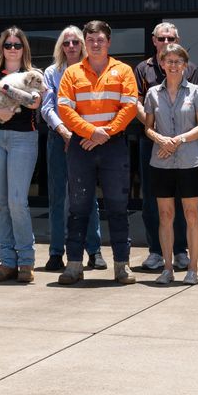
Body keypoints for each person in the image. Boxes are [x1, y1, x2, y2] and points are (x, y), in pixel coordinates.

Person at [55, 20, 141, 284]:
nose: (95, 44)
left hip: (114, 146)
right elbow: (64, 109)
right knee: (78, 207)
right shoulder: (72, 73)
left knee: (117, 206)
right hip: (82, 146)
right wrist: (91, 133)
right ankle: (73, 266)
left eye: (100, 40)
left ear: (108, 42)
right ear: (85, 43)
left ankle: (121, 266)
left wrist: (106, 133)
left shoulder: (123, 70)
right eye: (90, 40)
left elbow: (130, 106)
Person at [139, 42, 198, 285]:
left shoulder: (197, 92)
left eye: (178, 61)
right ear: (162, 64)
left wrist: (177, 140)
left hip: (190, 161)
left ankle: (193, 269)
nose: (173, 65)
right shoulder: (152, 94)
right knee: (165, 215)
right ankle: (167, 268)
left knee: (191, 214)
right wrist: (160, 139)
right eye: (169, 61)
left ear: (185, 65)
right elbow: (147, 127)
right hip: (161, 163)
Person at [0, 26, 42, 283]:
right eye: (8, 45)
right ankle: (7, 261)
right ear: (1, 48)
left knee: (18, 202)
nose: (13, 49)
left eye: (18, 45)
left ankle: (26, 261)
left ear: (24, 48)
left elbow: (34, 102)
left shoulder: (33, 74)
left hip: (22, 140)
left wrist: (5, 91)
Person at [40, 25, 102, 274]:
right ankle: (56, 252)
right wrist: (64, 132)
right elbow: (47, 107)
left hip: (85, 139)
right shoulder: (51, 72)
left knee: (87, 196)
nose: (72, 47)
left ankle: (94, 251)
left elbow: (96, 105)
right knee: (57, 198)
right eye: (67, 43)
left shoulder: (92, 71)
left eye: (76, 42)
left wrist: (79, 132)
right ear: (61, 47)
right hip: (58, 138)